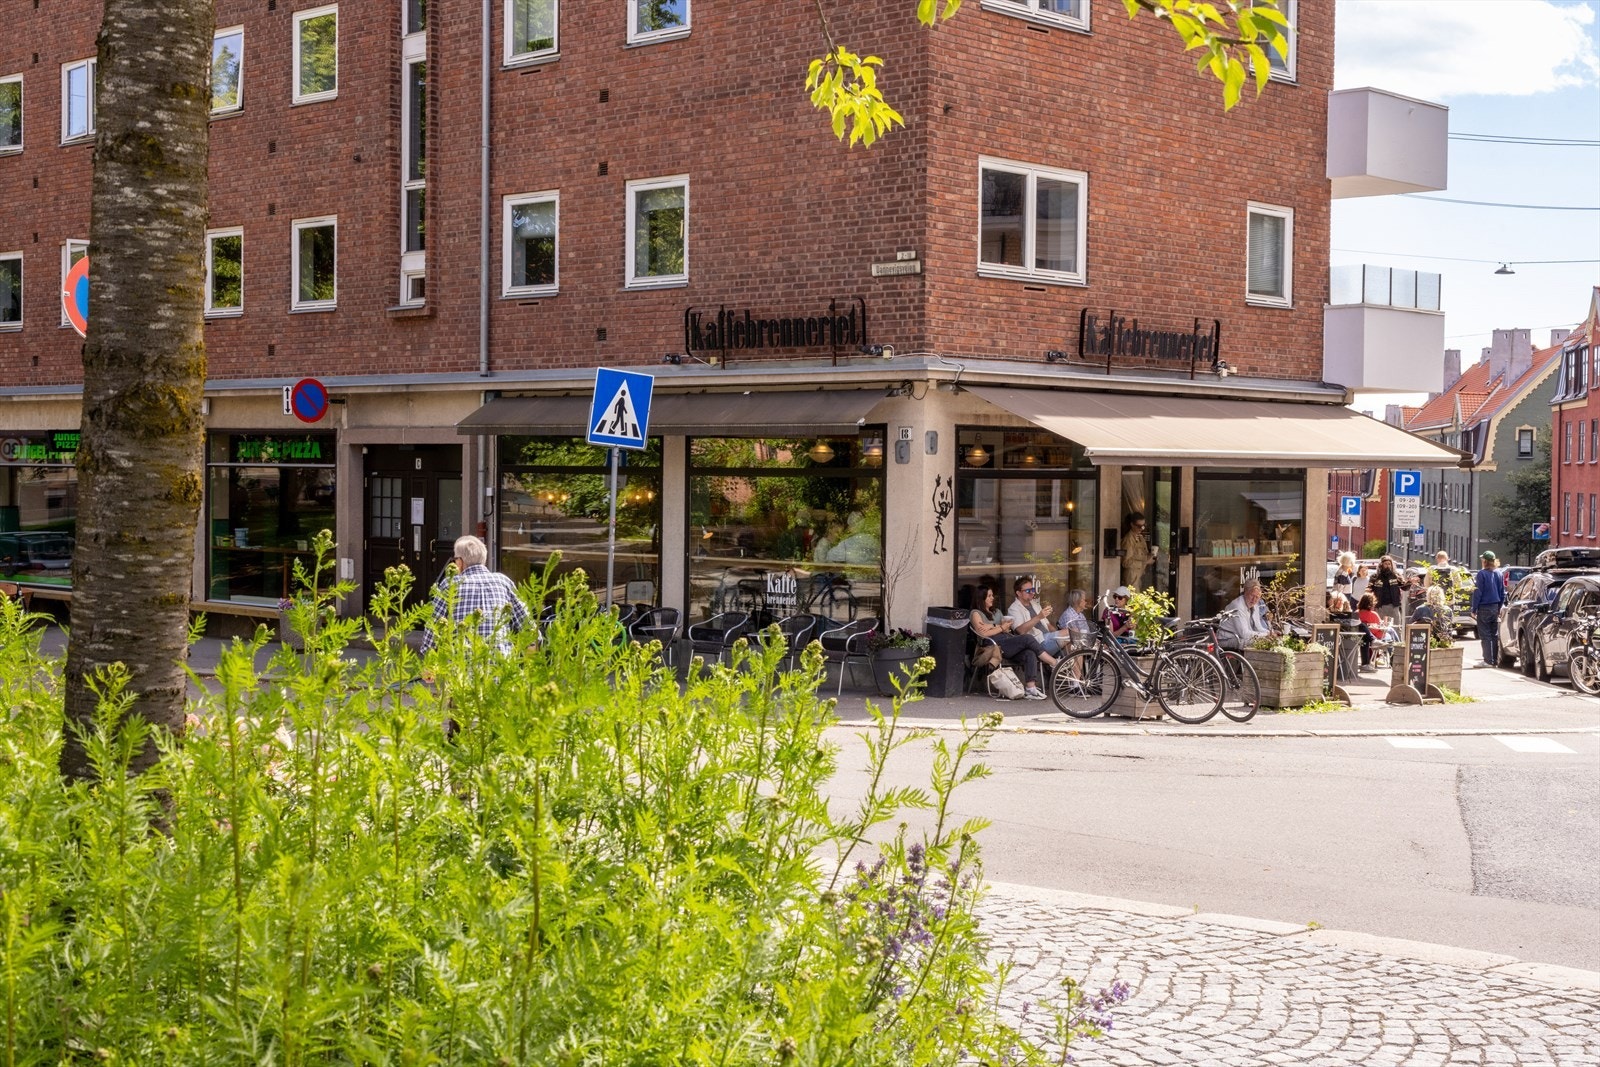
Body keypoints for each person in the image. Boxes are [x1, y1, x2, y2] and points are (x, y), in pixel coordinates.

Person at [421, 534, 531, 657]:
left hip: (460, 670)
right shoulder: (503, 581)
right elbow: (528, 627)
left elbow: (433, 629)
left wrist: (428, 663)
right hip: (500, 668)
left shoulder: (450, 584)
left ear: (460, 562)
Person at [969, 584, 1053, 699]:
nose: (992, 598)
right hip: (993, 646)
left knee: (1030, 653)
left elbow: (1006, 628)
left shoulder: (997, 612)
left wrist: (994, 626)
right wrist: (999, 627)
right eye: (989, 596)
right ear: (981, 598)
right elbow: (983, 634)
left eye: (992, 595)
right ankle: (1053, 662)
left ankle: (1030, 688)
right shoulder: (976, 613)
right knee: (1027, 638)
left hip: (1006, 641)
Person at [1006, 575, 1077, 656]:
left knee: (1075, 648)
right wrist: (1038, 617)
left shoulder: (1035, 604)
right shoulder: (1013, 609)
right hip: (1038, 643)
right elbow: (1020, 631)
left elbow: (1048, 625)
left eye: (1032, 589)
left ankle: (1077, 669)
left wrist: (1059, 633)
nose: (1032, 592)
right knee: (1073, 631)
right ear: (1018, 593)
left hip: (1049, 639)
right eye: (1028, 591)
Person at [1469, 550, 1506, 667]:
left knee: (1485, 635)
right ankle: (1494, 660)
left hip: (1484, 607)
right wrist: (1499, 607)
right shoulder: (1499, 574)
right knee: (1494, 634)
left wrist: (1474, 609)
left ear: (1485, 561)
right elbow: (1502, 593)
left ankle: (1487, 660)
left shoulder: (1482, 574)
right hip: (1495, 606)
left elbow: (1478, 593)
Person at [1217, 577, 1271, 650]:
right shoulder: (1237, 606)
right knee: (1258, 642)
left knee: (1268, 640)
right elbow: (1244, 634)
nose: (1254, 600)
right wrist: (1266, 635)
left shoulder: (1255, 604)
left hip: (1239, 637)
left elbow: (1258, 627)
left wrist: (1270, 633)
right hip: (1227, 640)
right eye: (1252, 595)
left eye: (1257, 597)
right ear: (1245, 592)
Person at [1120, 512, 1157, 589]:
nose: (1142, 528)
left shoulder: (1140, 537)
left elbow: (1143, 555)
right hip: (1131, 578)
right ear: (1132, 525)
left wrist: (1151, 556)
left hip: (1139, 575)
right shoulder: (1128, 540)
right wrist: (1146, 562)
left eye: (1144, 526)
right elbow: (1125, 562)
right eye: (1139, 526)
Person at [1369, 555, 1405, 627]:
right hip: (1380, 605)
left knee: (1396, 626)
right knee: (1379, 625)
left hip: (1394, 604)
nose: (1388, 566)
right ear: (1381, 565)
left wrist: (1410, 582)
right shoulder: (1375, 576)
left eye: (1389, 564)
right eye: (1386, 564)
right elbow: (1369, 588)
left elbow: (1404, 586)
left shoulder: (1396, 575)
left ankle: (1395, 638)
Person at [1355, 592, 1385, 668]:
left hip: (1358, 636)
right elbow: (1378, 628)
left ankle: (1366, 664)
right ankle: (1389, 656)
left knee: (1365, 639)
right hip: (1374, 635)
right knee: (1390, 633)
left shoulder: (1356, 613)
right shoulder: (1373, 614)